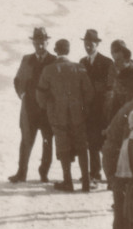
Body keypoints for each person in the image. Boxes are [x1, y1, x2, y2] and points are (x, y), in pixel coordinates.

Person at [38, 39, 94, 192]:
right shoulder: (79, 68)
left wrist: (49, 107)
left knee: (63, 148)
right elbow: (89, 92)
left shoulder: (48, 70)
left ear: (56, 51)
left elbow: (40, 94)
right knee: (82, 147)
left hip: (58, 116)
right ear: (68, 51)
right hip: (78, 116)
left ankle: (68, 182)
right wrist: (84, 108)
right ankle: (86, 182)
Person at [9, 27, 55, 184]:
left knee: (47, 141)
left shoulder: (54, 60)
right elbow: (17, 80)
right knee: (26, 141)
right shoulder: (27, 59)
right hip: (29, 109)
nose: (40, 46)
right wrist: (22, 94)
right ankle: (21, 173)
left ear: (47, 42)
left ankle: (44, 173)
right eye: (37, 43)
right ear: (33, 43)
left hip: (47, 110)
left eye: (42, 43)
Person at [77, 29, 114, 184]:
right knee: (91, 142)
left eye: (91, 43)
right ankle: (95, 173)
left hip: (102, 108)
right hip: (88, 109)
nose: (88, 46)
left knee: (103, 143)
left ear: (97, 44)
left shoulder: (106, 62)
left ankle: (110, 174)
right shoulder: (82, 62)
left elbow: (110, 85)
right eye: (86, 43)